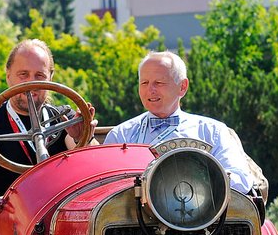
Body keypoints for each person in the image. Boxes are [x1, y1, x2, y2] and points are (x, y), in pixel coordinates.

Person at [0, 38, 96, 221]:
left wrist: (82, 137)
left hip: (62, 224)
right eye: (23, 74)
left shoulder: (65, 119)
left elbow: (93, 170)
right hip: (3, 229)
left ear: (50, 78)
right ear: (8, 76)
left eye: (39, 75)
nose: (31, 83)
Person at [105, 50, 258, 195]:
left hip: (206, 221)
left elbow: (241, 181)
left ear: (183, 87)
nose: (150, 90)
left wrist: (197, 183)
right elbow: (104, 188)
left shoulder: (213, 131)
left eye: (159, 82)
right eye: (144, 83)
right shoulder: (120, 135)